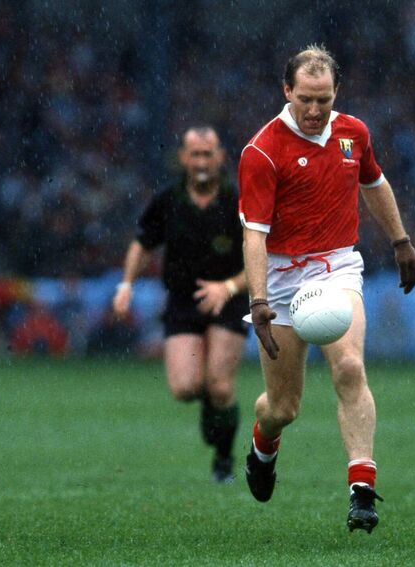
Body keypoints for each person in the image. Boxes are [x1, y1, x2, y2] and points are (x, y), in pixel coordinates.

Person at [238, 46, 415, 533]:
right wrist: (259, 299)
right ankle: (263, 444)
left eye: (324, 98)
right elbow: (254, 233)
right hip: (279, 278)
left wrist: (401, 241)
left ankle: (361, 488)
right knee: (284, 407)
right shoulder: (261, 151)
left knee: (349, 365)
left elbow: (374, 183)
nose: (315, 109)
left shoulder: (353, 133)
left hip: (337, 266)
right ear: (286, 92)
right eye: (305, 99)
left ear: (335, 92)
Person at [113, 126, 249, 483]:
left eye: (208, 154)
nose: (201, 162)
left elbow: (263, 259)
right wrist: (126, 285)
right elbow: (142, 244)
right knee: (185, 388)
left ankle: (224, 458)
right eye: (195, 154)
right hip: (182, 302)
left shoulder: (239, 200)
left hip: (230, 300)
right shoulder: (168, 201)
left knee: (221, 385)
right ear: (183, 158)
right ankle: (207, 402)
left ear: (220, 157)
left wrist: (229, 286)